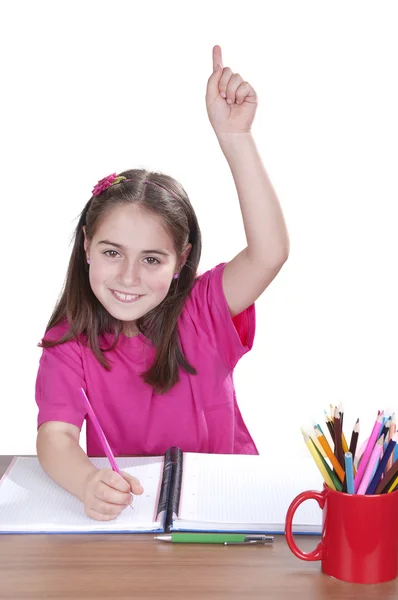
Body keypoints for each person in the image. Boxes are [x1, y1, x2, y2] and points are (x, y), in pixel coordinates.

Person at [36, 45, 289, 521]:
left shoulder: (203, 311)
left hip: (227, 510)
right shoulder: (69, 341)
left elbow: (269, 253)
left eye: (151, 259)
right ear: (87, 245)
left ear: (181, 260)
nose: (128, 278)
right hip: (136, 517)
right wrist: (88, 481)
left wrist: (236, 138)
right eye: (112, 253)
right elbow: (55, 437)